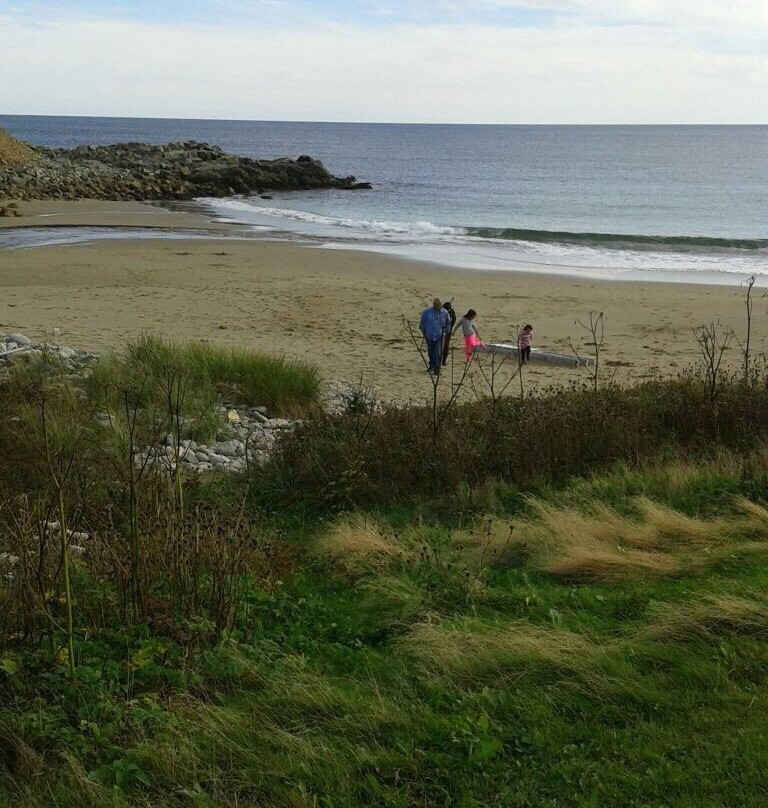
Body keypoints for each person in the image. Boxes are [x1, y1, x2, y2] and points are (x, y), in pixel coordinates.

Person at [419, 298, 452, 373]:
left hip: (439, 335)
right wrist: (423, 332)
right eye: (436, 305)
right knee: (431, 351)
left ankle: (437, 368)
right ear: (433, 305)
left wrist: (445, 331)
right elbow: (422, 323)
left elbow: (448, 323)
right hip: (429, 335)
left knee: (437, 352)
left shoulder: (445, 312)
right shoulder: (427, 312)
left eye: (439, 305)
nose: (438, 307)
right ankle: (431, 366)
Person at [441, 300, 457, 366]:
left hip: (441, 330)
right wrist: (451, 326)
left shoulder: (441, 311)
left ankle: (441, 360)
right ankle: (443, 361)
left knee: (441, 345)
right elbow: (454, 319)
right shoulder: (451, 311)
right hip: (447, 331)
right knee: (446, 346)